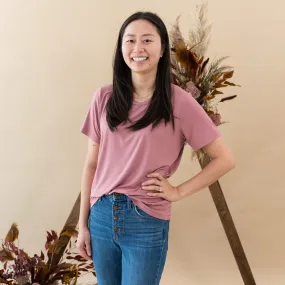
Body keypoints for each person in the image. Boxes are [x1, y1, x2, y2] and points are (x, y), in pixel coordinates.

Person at [76, 11, 235, 285]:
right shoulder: (103, 97)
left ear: (162, 49)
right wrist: (83, 225)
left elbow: (224, 159)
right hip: (101, 215)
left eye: (147, 40)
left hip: (145, 218)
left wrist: (178, 191)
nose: (138, 48)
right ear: (121, 48)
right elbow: (92, 164)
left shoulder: (180, 102)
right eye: (130, 40)